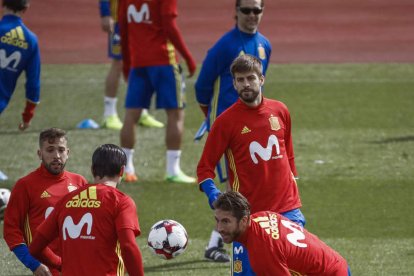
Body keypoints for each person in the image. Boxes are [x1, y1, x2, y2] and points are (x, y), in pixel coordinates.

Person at [197, 54, 304, 275]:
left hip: (288, 211)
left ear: (261, 79)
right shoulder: (225, 122)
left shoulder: (280, 111)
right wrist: (212, 194)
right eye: (240, 80)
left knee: (296, 270)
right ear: (234, 83)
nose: (246, 84)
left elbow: (289, 154)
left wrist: (293, 181)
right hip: (248, 219)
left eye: (250, 78)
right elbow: (204, 168)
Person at [194, 0, 271, 262]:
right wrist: (212, 120)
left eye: (256, 10)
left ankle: (239, 239)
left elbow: (259, 87)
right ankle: (216, 243)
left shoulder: (265, 45)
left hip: (252, 128)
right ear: (235, 12)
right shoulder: (224, 46)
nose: (252, 15)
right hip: (229, 130)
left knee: (247, 184)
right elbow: (202, 87)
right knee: (233, 187)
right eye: (246, 10)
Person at [29, 144, 144, 276]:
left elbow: (35, 247)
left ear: (92, 170)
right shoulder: (121, 202)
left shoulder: (66, 200)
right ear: (122, 171)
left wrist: (60, 264)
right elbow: (128, 247)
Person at [117, 0, 197, 183]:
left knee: (131, 115)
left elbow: (123, 29)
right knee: (176, 114)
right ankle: (172, 169)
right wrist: (188, 57)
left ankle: (126, 168)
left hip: (138, 63)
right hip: (164, 62)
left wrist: (128, 64)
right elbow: (169, 25)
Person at [3, 128, 88, 276]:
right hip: (47, 270)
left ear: (68, 153)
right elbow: (11, 231)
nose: (56, 156)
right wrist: (33, 264)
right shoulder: (25, 186)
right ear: (39, 154)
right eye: (50, 150)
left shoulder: (80, 182)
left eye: (61, 150)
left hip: (78, 267)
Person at [214, 191, 351, 276]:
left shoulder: (262, 251)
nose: (219, 228)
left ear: (243, 220)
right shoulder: (262, 216)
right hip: (335, 264)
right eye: (217, 220)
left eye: (226, 221)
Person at [99, 0, 164, 130]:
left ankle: (141, 111)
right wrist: (105, 13)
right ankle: (109, 114)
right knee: (118, 63)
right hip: (119, 19)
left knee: (139, 62)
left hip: (139, 19)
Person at [0, 0, 40, 131]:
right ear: (25, 9)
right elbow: (33, 84)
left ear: (3, 4)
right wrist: (27, 118)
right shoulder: (31, 40)